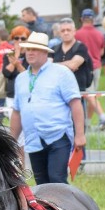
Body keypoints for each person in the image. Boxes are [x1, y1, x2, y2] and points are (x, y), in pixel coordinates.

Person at [9, 32, 86, 185]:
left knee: (57, 180)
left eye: (34, 49)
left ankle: (64, 209)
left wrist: (80, 134)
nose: (30, 52)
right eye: (28, 49)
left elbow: (75, 103)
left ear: (45, 52)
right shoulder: (21, 79)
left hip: (58, 135)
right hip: (33, 139)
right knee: (42, 185)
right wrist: (11, 141)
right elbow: (17, 111)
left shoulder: (61, 73)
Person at [75, 9, 105, 129]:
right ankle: (88, 122)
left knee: (89, 94)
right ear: (93, 19)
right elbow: (102, 51)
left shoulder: (77, 34)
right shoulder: (99, 34)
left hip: (83, 67)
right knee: (92, 94)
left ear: (81, 19)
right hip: (96, 66)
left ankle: (103, 117)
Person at [1, 26, 31, 102]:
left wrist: (17, 64)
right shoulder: (8, 55)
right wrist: (16, 55)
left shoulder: (31, 55)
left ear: (28, 40)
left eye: (23, 38)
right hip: (12, 94)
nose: (19, 40)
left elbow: (28, 74)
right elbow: (6, 73)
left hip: (27, 93)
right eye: (16, 38)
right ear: (13, 39)